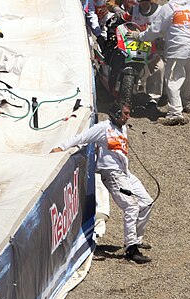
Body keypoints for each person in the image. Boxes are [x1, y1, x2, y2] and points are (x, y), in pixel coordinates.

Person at [51, 103, 153, 264]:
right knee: (131, 206)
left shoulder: (123, 128)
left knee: (147, 203)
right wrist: (61, 147)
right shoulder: (103, 128)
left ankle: (136, 239)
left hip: (125, 173)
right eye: (125, 114)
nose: (128, 117)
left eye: (128, 113)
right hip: (112, 174)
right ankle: (131, 249)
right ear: (117, 113)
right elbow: (82, 137)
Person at [130, 0, 190, 125]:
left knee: (173, 79)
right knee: (188, 77)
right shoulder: (189, 8)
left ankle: (175, 112)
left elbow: (154, 30)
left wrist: (139, 36)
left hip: (178, 47)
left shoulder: (169, 7)